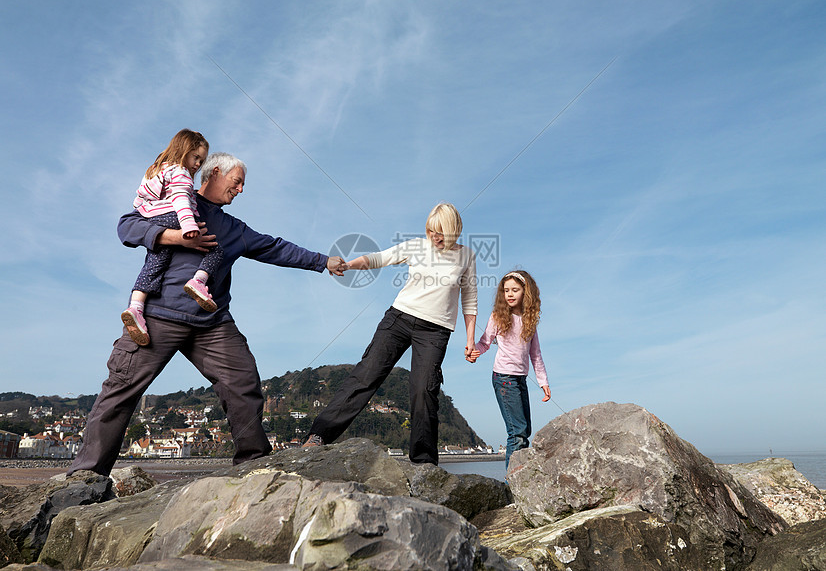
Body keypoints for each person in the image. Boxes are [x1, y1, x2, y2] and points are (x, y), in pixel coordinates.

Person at [68, 151, 347, 476]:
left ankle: (254, 466)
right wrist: (173, 236)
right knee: (120, 391)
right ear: (214, 173)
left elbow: (276, 247)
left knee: (243, 382)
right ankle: (85, 479)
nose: (241, 189)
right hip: (157, 315)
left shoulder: (234, 228)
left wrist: (323, 261)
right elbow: (127, 225)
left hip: (212, 323)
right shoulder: (175, 200)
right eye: (237, 181)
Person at [303, 203, 477, 465]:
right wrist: (349, 265)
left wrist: (470, 339)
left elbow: (470, 299)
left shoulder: (467, 256)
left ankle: (424, 462)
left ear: (454, 231)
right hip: (399, 319)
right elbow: (378, 258)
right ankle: (318, 436)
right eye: (431, 231)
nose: (435, 237)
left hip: (435, 331)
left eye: (441, 233)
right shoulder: (417, 246)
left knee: (424, 390)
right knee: (366, 375)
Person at [121, 129, 224, 346]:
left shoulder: (156, 169)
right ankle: (198, 282)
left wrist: (142, 211)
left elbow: (141, 197)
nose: (197, 164)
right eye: (196, 157)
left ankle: (136, 307)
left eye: (201, 161)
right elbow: (180, 199)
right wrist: (188, 225)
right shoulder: (181, 172)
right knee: (215, 249)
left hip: (153, 219)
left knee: (154, 264)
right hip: (175, 218)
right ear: (183, 150)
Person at [468, 270, 550, 470]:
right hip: (504, 378)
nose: (510, 294)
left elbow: (536, 354)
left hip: (520, 379)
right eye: (506, 291)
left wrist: (543, 382)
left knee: (525, 431)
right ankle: (512, 483)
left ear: (526, 292)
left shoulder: (530, 321)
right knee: (517, 432)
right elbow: (484, 342)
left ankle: (519, 478)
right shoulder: (498, 316)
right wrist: (474, 351)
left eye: (515, 290)